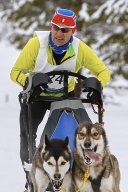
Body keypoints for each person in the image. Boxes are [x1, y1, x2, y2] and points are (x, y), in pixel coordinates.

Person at [10, 8, 110, 191]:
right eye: (56, 28)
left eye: (65, 30)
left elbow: (103, 72)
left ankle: (75, 176)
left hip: (63, 96)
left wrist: (96, 85)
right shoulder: (36, 45)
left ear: (73, 31)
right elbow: (15, 73)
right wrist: (28, 81)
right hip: (36, 96)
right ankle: (32, 180)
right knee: (27, 135)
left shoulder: (80, 48)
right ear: (51, 26)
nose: (59, 33)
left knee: (70, 134)